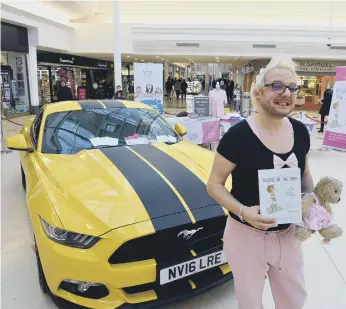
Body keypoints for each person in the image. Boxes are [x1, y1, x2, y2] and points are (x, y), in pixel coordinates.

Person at [207, 56, 313, 309]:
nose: (285, 93)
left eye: (292, 87)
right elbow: (214, 184)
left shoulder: (300, 132)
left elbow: (305, 175)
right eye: (277, 86)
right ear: (257, 92)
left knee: (294, 300)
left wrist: (312, 202)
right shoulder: (238, 136)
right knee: (250, 302)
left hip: (288, 235)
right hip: (246, 236)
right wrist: (243, 211)